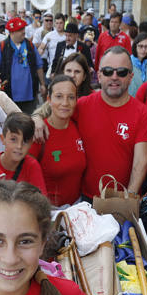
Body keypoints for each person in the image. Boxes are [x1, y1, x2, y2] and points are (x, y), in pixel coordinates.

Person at [35, 46, 147, 197]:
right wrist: (36, 118)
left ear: (131, 77)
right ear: (99, 76)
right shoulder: (82, 105)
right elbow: (55, 109)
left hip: (121, 202)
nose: (114, 77)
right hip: (84, 200)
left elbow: (140, 163)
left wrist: (127, 200)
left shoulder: (143, 113)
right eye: (108, 71)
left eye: (121, 72)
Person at [31, 74, 87, 206]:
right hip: (49, 212)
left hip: (77, 207)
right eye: (59, 96)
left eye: (71, 97)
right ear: (49, 99)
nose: (65, 103)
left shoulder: (78, 125)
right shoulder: (39, 133)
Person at [0, 18, 46, 115]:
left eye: (23, 29)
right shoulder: (1, 47)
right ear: (12, 32)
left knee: (30, 122)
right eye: (20, 30)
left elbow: (39, 66)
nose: (23, 32)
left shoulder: (30, 45)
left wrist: (42, 84)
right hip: (9, 96)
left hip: (29, 95)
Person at [0, 112, 46, 193]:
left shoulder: (32, 166)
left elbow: (40, 202)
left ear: (31, 143)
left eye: (25, 141)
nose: (19, 146)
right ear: (3, 139)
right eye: (13, 139)